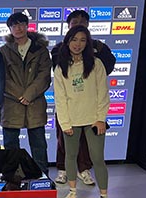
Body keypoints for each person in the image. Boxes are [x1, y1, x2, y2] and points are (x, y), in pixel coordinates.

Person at [51, 10, 115, 185]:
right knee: (64, 141)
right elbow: (60, 72)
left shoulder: (99, 48)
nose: (78, 24)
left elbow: (108, 67)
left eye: (82, 22)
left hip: (90, 108)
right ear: (68, 26)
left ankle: (84, 169)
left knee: (89, 145)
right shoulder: (59, 49)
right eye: (74, 22)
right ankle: (63, 170)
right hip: (68, 107)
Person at [0, 12, 52, 175]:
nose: (18, 28)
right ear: (10, 29)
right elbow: (3, 77)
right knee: (10, 144)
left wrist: (29, 94)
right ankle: (13, 176)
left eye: (21, 24)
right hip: (11, 105)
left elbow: (44, 75)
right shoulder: (4, 51)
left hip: (34, 103)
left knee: (39, 145)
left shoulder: (41, 49)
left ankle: (41, 177)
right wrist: (20, 95)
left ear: (27, 26)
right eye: (14, 25)